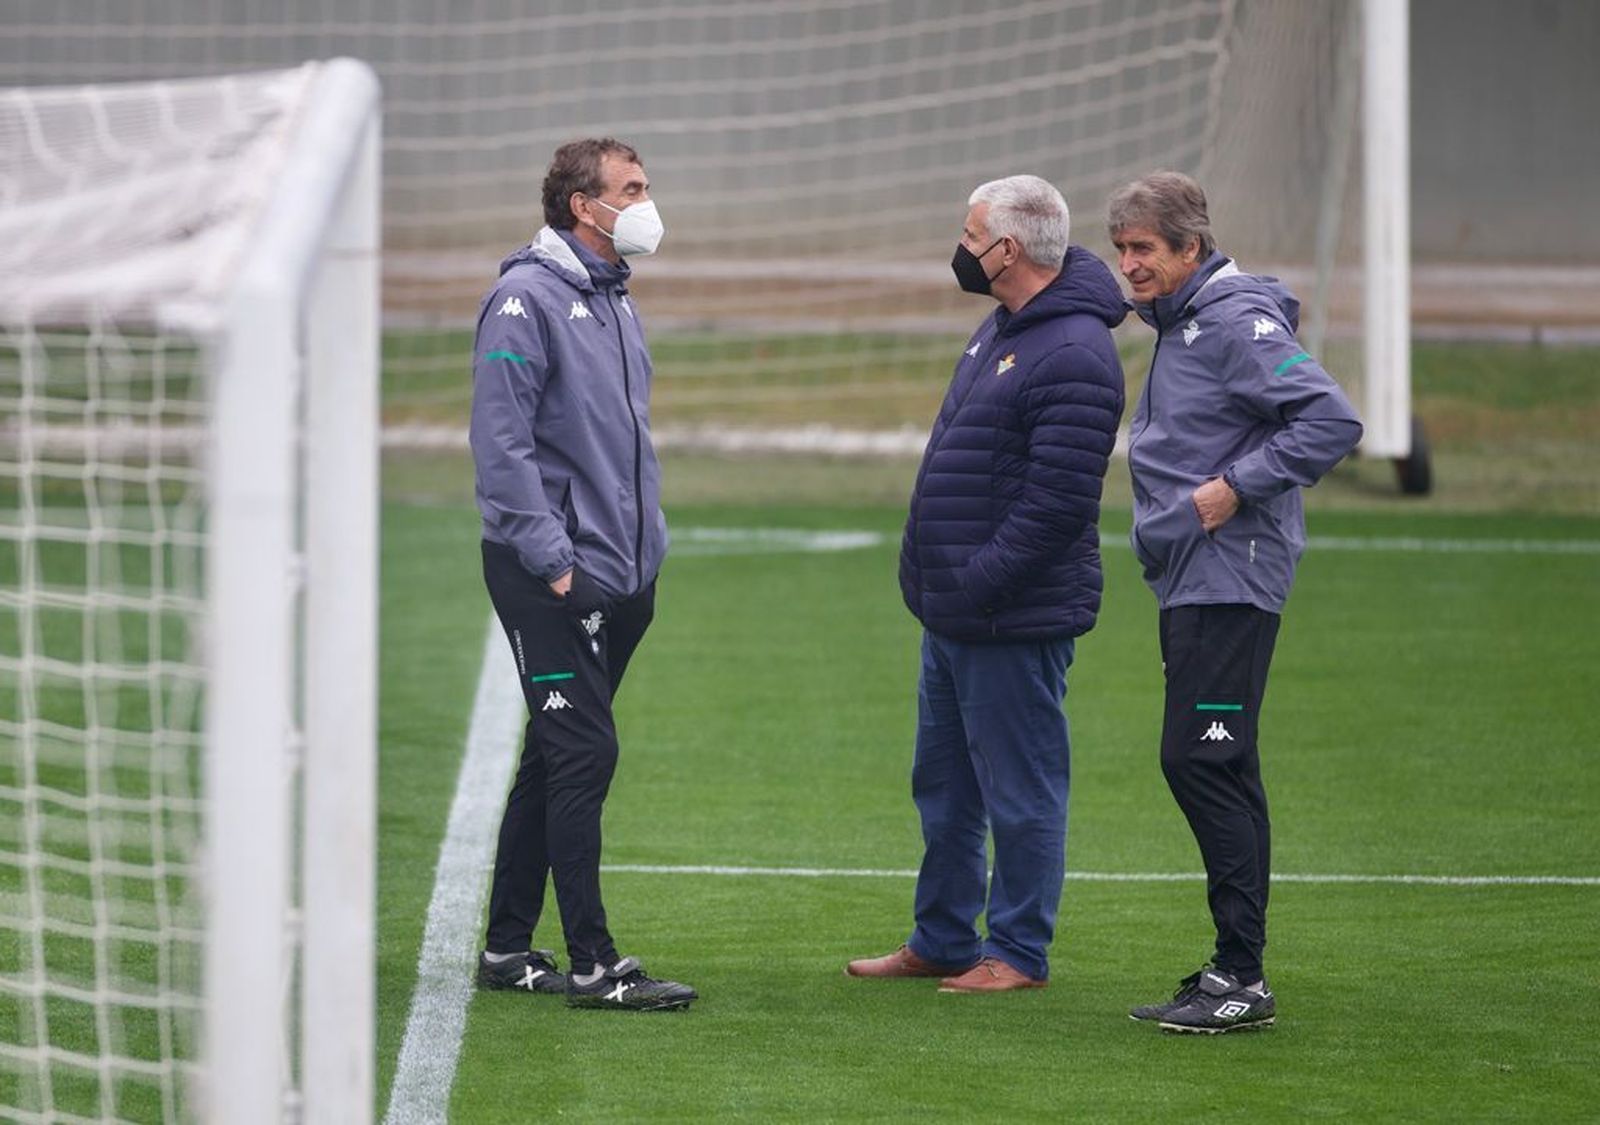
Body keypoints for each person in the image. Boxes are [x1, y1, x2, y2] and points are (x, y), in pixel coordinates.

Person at [846, 175, 1126, 993]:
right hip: (956, 613)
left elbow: (1057, 505)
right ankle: (941, 937)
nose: (963, 247)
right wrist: (928, 574)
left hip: (1009, 617)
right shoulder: (1006, 325)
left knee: (1021, 790)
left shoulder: (1073, 350)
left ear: (1009, 249)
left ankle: (1018, 953)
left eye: (972, 234)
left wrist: (975, 584)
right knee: (945, 787)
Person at [1108, 171, 1363, 1033]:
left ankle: (1241, 978)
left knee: (1201, 760)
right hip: (1195, 575)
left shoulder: (1233, 322)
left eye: (1144, 248)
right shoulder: (1184, 323)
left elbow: (1329, 419)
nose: (1129, 265)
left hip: (1229, 573)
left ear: (1191, 246)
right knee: (1222, 763)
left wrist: (1232, 489)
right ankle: (1234, 969)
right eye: (1122, 249)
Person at [468, 137, 695, 1011]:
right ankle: (595, 964)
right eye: (631, 189)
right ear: (583, 207)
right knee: (585, 751)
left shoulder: (613, 299)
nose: (646, 202)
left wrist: (643, 557)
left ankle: (506, 948)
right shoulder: (525, 300)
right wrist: (557, 565)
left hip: (620, 579)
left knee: (553, 756)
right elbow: (502, 448)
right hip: (552, 577)